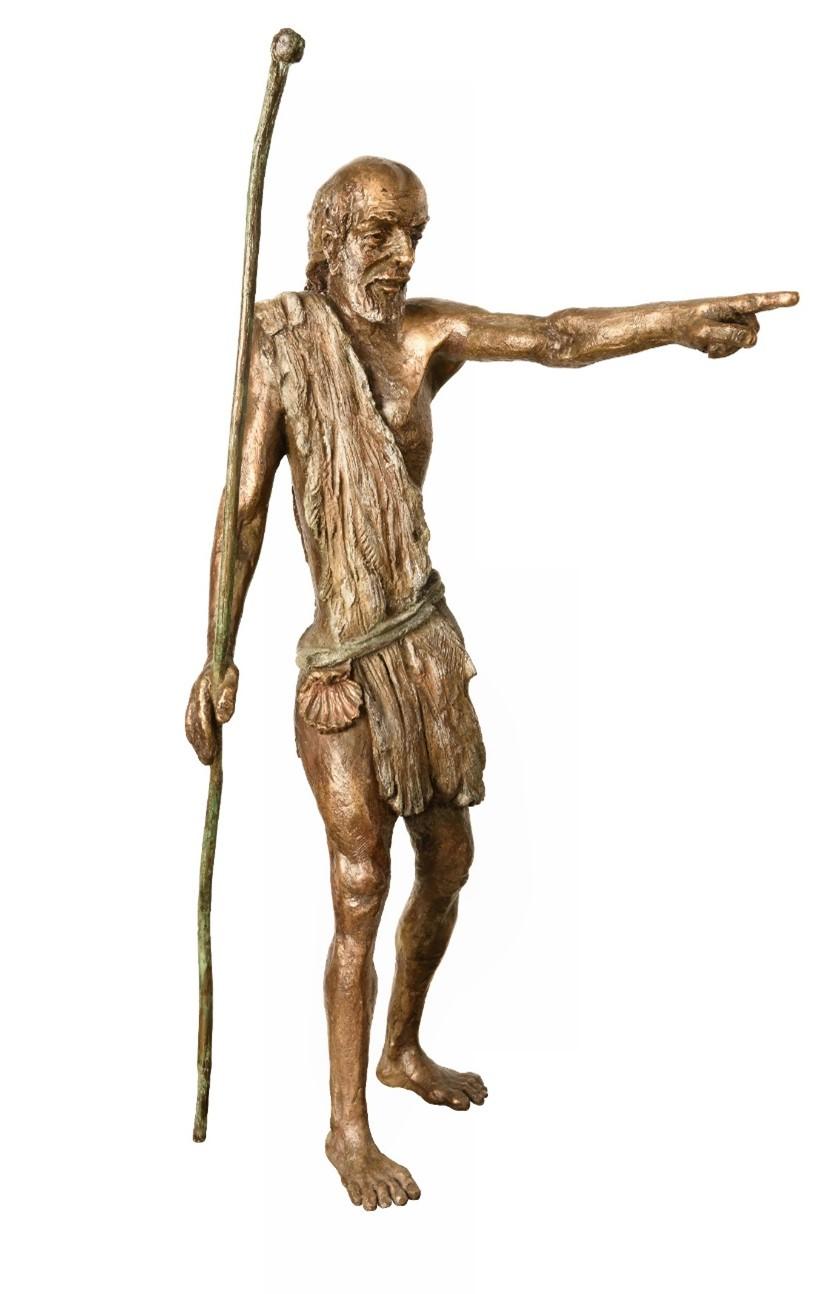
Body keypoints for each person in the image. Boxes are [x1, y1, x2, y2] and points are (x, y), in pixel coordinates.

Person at [186, 156, 797, 1209]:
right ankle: (345, 1129)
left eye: (414, 233)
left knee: (450, 860)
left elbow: (558, 336)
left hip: (424, 646)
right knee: (360, 887)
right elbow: (241, 511)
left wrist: (682, 320)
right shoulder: (283, 347)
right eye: (379, 232)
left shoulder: (426, 337)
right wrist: (215, 655)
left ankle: (402, 1048)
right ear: (328, 236)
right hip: (342, 667)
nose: (400, 255)